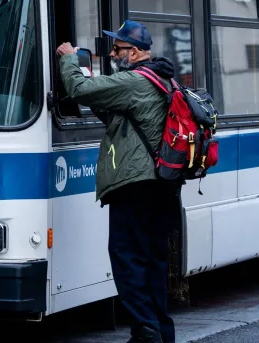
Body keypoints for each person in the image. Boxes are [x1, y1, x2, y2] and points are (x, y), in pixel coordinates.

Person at [56, 20, 181, 343]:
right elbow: (120, 116)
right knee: (153, 260)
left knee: (126, 257)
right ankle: (158, 331)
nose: (113, 54)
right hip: (164, 184)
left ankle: (145, 328)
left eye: (118, 49)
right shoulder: (164, 79)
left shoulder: (136, 80)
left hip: (135, 184)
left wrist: (69, 59)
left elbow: (79, 90)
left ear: (135, 51)